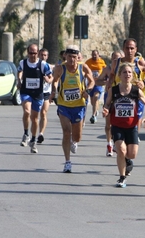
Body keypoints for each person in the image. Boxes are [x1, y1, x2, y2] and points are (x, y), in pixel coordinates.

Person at [106, 38, 145, 166]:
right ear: (123, 49)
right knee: (116, 128)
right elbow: (112, 75)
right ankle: (121, 149)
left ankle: (128, 154)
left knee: (134, 127)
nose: (129, 51)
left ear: (136, 50)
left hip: (136, 99)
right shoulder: (116, 63)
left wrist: (144, 82)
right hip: (119, 98)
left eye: (132, 48)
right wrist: (109, 85)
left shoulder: (140, 63)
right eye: (127, 48)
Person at [102, 63, 145, 187]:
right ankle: (122, 178)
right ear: (120, 75)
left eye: (129, 72)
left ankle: (127, 160)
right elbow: (107, 104)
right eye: (124, 72)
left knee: (132, 154)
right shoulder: (113, 90)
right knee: (121, 150)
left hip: (131, 126)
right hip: (117, 126)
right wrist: (106, 109)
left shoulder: (136, 90)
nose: (127, 75)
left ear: (133, 75)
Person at [49, 45, 95, 173]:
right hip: (64, 105)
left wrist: (88, 90)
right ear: (65, 56)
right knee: (66, 131)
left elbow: (92, 81)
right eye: (69, 57)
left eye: (74, 57)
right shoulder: (60, 68)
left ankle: (74, 141)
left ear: (77, 57)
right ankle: (67, 162)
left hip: (79, 105)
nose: (71, 60)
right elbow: (55, 81)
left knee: (77, 136)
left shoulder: (83, 67)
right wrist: (54, 91)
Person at [17, 44, 53, 153]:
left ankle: (33, 140)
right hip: (26, 92)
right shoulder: (23, 63)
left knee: (35, 118)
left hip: (38, 94)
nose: (33, 55)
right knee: (27, 111)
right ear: (28, 53)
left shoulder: (43, 65)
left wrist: (48, 79)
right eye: (31, 53)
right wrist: (19, 80)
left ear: (38, 53)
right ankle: (26, 133)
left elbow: (51, 77)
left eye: (35, 53)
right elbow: (20, 71)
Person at [96, 50, 124, 156]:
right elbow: (97, 81)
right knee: (108, 123)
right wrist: (106, 82)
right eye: (114, 58)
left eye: (118, 58)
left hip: (121, 98)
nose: (116, 60)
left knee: (120, 123)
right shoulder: (107, 69)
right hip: (109, 97)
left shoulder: (125, 69)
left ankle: (119, 143)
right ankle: (109, 144)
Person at [37, 48, 54, 144]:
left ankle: (41, 134)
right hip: (36, 93)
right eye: (41, 55)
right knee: (35, 115)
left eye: (45, 55)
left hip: (46, 92)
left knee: (43, 113)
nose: (43, 57)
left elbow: (52, 78)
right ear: (38, 55)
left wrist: (48, 80)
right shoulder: (35, 65)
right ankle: (33, 133)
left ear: (47, 57)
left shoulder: (47, 66)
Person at [85, 50, 107, 124]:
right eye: (93, 55)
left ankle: (93, 115)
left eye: (95, 55)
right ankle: (96, 110)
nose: (94, 56)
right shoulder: (88, 62)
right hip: (91, 83)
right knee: (92, 101)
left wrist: (104, 78)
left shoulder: (102, 62)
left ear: (98, 55)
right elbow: (84, 71)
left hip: (99, 83)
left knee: (96, 96)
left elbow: (105, 70)